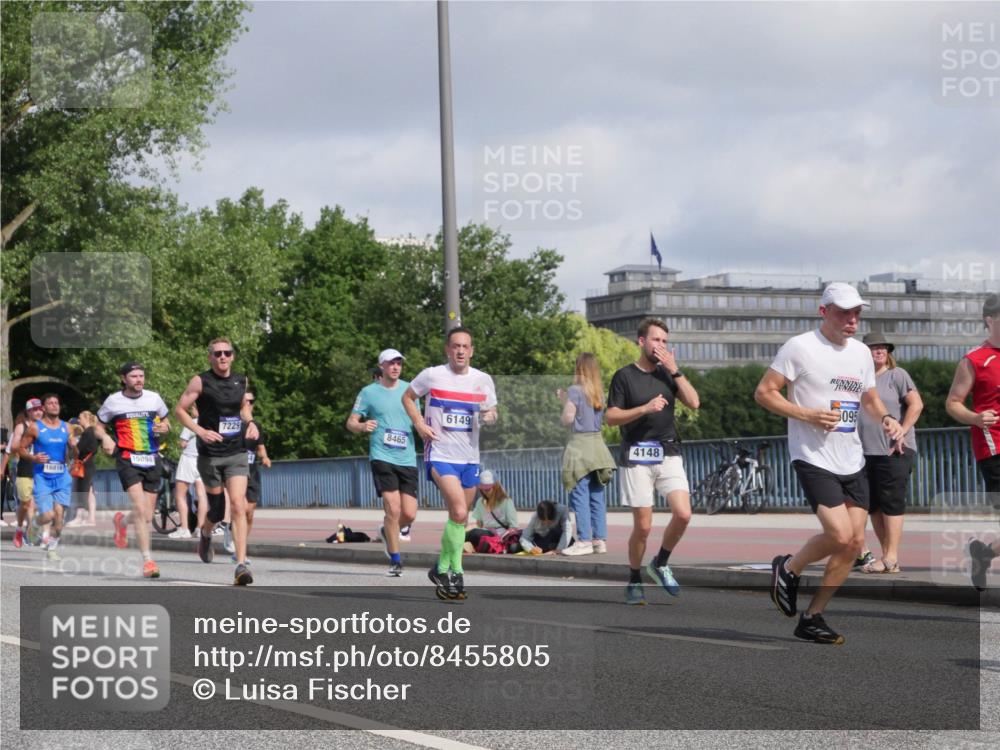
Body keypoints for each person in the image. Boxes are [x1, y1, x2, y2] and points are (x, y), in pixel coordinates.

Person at [755, 282, 905, 644]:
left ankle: (812, 617)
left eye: (856, 313)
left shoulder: (861, 353)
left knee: (853, 544)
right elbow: (764, 392)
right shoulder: (800, 347)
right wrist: (806, 414)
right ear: (824, 312)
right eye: (843, 313)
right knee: (839, 534)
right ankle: (789, 568)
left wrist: (886, 418)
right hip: (812, 456)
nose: (852, 320)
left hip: (851, 458)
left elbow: (869, 399)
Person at [606, 317, 701, 605]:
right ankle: (634, 578)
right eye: (656, 340)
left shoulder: (668, 374)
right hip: (636, 456)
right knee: (644, 527)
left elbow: (694, 402)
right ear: (641, 341)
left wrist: (675, 370)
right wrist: (644, 408)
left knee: (683, 514)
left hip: (668, 452)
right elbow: (611, 417)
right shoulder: (624, 376)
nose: (661, 345)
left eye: (665, 341)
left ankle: (660, 562)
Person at [403, 326, 498, 600]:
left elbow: (492, 410)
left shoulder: (483, 380)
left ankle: (440, 568)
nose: (460, 351)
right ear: (447, 349)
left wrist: (490, 416)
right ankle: (456, 572)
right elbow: (407, 397)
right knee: (458, 511)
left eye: (465, 346)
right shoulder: (432, 375)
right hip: (440, 454)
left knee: (460, 518)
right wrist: (419, 424)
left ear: (472, 351)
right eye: (455, 346)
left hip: (469, 457)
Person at [174, 338, 257, 586]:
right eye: (218, 353)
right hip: (210, 454)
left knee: (238, 505)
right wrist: (200, 431)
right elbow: (180, 410)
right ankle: (206, 532)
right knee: (218, 510)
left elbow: (243, 408)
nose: (223, 357)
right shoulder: (200, 381)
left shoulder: (241, 380)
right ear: (210, 357)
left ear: (233, 356)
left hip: (236, 452)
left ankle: (241, 564)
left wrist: (250, 422)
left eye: (227, 353)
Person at [94, 363, 171, 578]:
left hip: (152, 457)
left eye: (141, 376)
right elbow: (97, 426)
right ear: (124, 378)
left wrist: (165, 427)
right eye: (134, 376)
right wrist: (106, 438)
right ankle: (148, 561)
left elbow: (167, 422)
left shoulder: (154, 398)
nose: (139, 380)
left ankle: (121, 521)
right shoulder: (113, 401)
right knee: (139, 507)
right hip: (128, 457)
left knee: (147, 515)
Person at [855, 332, 923, 574]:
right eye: (874, 347)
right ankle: (887, 558)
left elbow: (916, 404)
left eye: (883, 347)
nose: (880, 350)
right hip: (864, 452)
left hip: (894, 449)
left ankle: (891, 557)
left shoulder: (897, 375)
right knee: (874, 506)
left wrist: (901, 430)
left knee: (891, 502)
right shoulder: (858, 380)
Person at [946, 292, 1000, 591]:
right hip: (994, 447)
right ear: (989, 320)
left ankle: (983, 554)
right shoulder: (974, 360)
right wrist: (976, 418)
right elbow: (953, 403)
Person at [347, 349, 418, 577]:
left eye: (399, 363)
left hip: (407, 458)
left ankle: (388, 531)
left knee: (409, 513)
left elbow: (418, 420)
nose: (396, 367)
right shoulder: (368, 392)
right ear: (381, 366)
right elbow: (351, 422)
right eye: (391, 363)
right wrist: (361, 426)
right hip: (382, 456)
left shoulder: (411, 390)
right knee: (393, 508)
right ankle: (395, 561)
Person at [558, 353, 616, 556]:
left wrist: (564, 401)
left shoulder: (574, 391)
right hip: (598, 447)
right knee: (596, 495)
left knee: (579, 494)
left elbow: (568, 418)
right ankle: (599, 541)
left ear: (579, 369)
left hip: (580, 446)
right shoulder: (599, 393)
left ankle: (583, 541)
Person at [19, 394, 74, 561]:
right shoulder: (35, 427)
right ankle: (34, 525)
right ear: (44, 407)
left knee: (59, 518)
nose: (54, 405)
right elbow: (21, 448)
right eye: (50, 403)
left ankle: (52, 548)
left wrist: (75, 447)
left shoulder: (67, 427)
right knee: (48, 515)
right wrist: (33, 458)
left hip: (62, 476)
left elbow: (74, 452)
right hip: (43, 477)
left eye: (57, 403)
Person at [5, 401, 43, 547]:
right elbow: (13, 447)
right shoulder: (21, 427)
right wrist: (23, 442)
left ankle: (30, 531)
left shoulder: (44, 427)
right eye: (34, 409)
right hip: (25, 467)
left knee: (36, 504)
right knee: (26, 504)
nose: (38, 412)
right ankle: (21, 530)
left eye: (40, 409)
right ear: (28, 412)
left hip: (41, 468)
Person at [169, 406, 207, 540]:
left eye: (192, 408)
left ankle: (184, 528)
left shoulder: (191, 423)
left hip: (189, 459)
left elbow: (183, 443)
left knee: (180, 495)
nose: (191, 411)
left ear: (197, 409)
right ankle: (200, 528)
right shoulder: (209, 423)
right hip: (203, 461)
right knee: (202, 495)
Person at [241, 391, 271, 561]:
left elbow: (260, 448)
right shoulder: (233, 425)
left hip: (252, 472)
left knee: (250, 513)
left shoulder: (256, 426)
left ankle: (241, 546)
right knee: (241, 509)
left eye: (251, 401)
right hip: (236, 473)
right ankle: (238, 546)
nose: (248, 404)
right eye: (245, 401)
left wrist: (265, 457)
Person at [465, 469, 519, 550]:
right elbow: (479, 524)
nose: (484, 491)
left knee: (475, 533)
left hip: (500, 535)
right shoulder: (480, 502)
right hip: (485, 533)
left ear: (496, 487)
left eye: (487, 489)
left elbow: (514, 526)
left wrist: (502, 538)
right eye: (482, 489)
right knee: (466, 534)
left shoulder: (506, 501)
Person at [66, 412, 99, 527]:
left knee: (82, 490)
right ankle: (91, 518)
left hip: (84, 465)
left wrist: (73, 445)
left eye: (80, 418)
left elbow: (78, 450)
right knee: (89, 491)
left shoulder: (87, 433)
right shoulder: (93, 432)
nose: (79, 421)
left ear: (86, 418)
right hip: (89, 464)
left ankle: (79, 517)